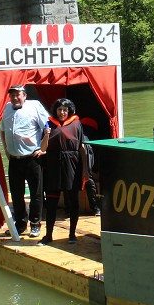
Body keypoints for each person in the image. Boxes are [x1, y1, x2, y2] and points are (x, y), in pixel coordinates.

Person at [0, 84, 50, 237]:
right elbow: (2, 130)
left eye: (18, 95)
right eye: (12, 95)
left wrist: (43, 148)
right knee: (16, 193)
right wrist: (6, 149)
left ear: (24, 95)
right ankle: (20, 224)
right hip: (14, 159)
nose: (15, 98)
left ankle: (35, 224)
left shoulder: (34, 107)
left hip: (32, 158)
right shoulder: (7, 108)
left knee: (36, 193)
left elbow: (47, 128)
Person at [42, 99, 88, 244]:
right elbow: (43, 149)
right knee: (51, 202)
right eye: (59, 109)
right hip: (53, 164)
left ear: (69, 111)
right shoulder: (48, 124)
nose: (62, 112)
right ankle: (48, 235)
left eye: (65, 110)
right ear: (55, 110)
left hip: (72, 164)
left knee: (73, 201)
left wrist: (85, 170)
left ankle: (72, 235)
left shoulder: (76, 123)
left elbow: (82, 148)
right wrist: (46, 135)